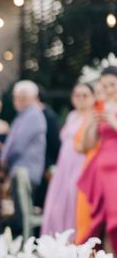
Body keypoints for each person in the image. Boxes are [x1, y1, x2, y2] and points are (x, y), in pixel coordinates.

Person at [41, 83, 95, 240]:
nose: (81, 99)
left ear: (92, 98)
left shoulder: (92, 116)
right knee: (57, 205)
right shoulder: (72, 116)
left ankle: (75, 240)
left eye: (85, 95)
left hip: (80, 163)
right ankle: (57, 240)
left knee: (73, 200)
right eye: (77, 95)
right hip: (64, 165)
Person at [0, 80, 47, 236]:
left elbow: (18, 145)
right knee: (20, 212)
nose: (18, 101)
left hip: (25, 172)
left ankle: (25, 245)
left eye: (23, 97)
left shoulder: (32, 115)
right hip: (21, 170)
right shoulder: (24, 115)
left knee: (24, 215)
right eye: (17, 97)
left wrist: (4, 160)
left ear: (33, 97)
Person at [77, 66, 117, 251]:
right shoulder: (102, 108)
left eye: (112, 84)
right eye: (104, 85)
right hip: (101, 172)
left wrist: (113, 121)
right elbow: (86, 146)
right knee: (104, 222)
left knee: (114, 221)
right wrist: (91, 123)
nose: (108, 89)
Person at [34, 85, 61, 208]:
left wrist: (50, 166)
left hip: (47, 166)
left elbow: (55, 143)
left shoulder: (48, 116)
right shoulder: (35, 115)